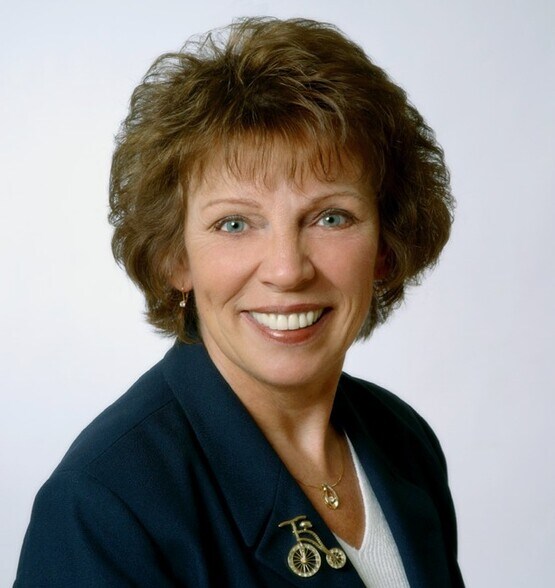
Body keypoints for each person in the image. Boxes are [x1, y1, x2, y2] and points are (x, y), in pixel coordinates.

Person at [15, 17, 464, 587]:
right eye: (234, 223)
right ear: (175, 257)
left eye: (331, 218)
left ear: (384, 245)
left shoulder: (402, 441)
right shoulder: (102, 507)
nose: (287, 269)